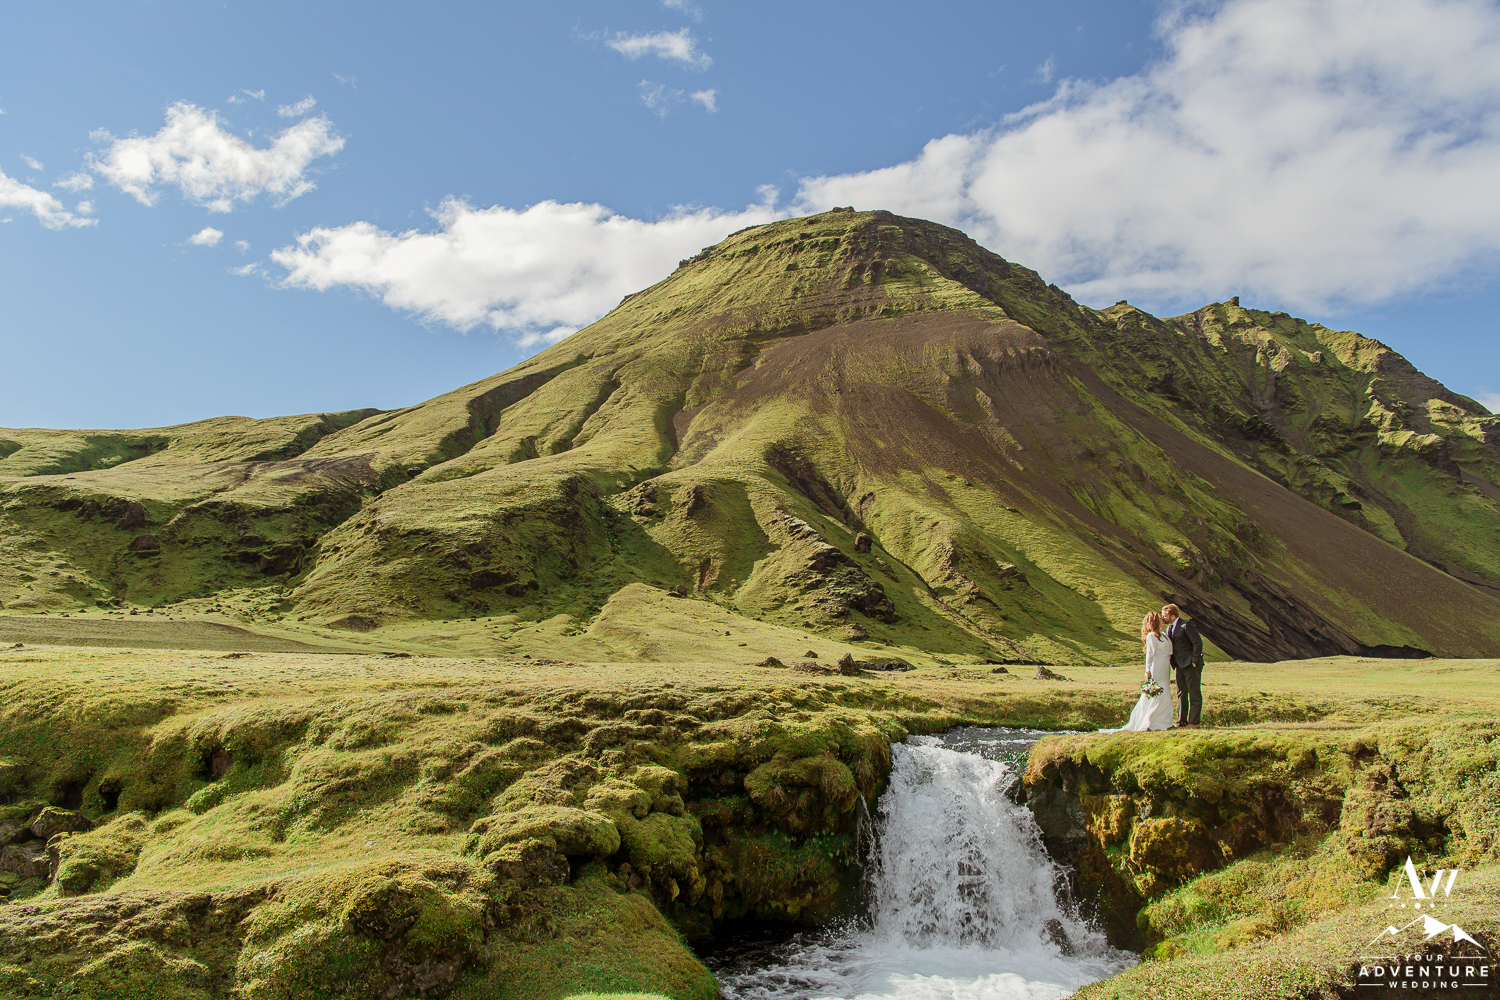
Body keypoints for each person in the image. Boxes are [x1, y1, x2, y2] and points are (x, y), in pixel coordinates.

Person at [1120, 610, 1174, 731]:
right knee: (1156, 691)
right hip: (1157, 664)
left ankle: (1164, 720)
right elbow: (1150, 654)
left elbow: (1170, 650)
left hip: (1165, 664)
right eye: (1160, 617)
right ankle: (1149, 720)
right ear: (1155, 621)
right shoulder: (1151, 636)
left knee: (1165, 690)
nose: (1162, 619)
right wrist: (1147, 669)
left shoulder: (1164, 635)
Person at [1162, 603, 1204, 728]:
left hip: (1191, 664)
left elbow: (1197, 642)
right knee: (1181, 693)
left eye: (1164, 616)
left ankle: (1194, 722)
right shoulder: (1168, 629)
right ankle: (1181, 721)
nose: (1162, 618)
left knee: (1194, 692)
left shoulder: (1186, 625)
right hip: (1179, 665)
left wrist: (1194, 660)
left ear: (1173, 616)